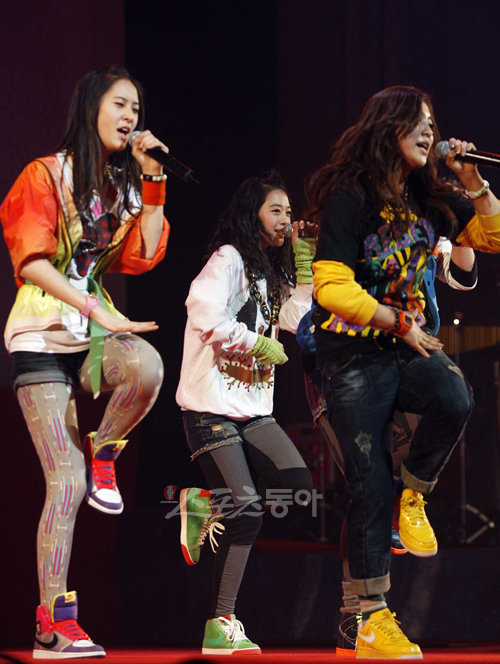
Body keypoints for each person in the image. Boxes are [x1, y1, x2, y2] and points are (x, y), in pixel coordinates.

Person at [305, 85, 500, 659]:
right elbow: (330, 286)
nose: (431, 132)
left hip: (404, 347)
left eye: (434, 124)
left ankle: (411, 499)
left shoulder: (429, 196)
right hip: (350, 355)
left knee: (454, 396)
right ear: (390, 126)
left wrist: (473, 179)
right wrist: (396, 322)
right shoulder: (350, 193)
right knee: (367, 483)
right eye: (420, 122)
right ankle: (369, 618)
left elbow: (493, 237)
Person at [0, 66, 170, 659]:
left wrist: (154, 180)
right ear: (92, 106)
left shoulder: (121, 188)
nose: (130, 117)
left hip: (91, 333)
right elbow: (31, 262)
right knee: (65, 484)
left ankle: (106, 451)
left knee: (147, 368)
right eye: (120, 105)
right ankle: (53, 622)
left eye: (136, 109)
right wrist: (95, 308)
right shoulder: (46, 173)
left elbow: (144, 253)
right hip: (42, 336)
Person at [297, 239, 477, 656]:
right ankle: (356, 617)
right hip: (339, 367)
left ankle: (405, 502)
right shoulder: (344, 228)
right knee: (369, 486)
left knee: (441, 413)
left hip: (401, 359)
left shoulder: (420, 223)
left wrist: (464, 219)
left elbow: (463, 274)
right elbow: (310, 313)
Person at [175, 171, 314, 655]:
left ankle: (206, 504)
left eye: (289, 212)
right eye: (276, 210)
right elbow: (203, 312)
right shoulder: (228, 259)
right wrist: (255, 343)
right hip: (210, 408)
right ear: (251, 215)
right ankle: (221, 622)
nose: (286, 219)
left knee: (298, 486)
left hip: (254, 411)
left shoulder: (271, 274)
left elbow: (297, 320)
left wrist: (305, 269)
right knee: (249, 511)